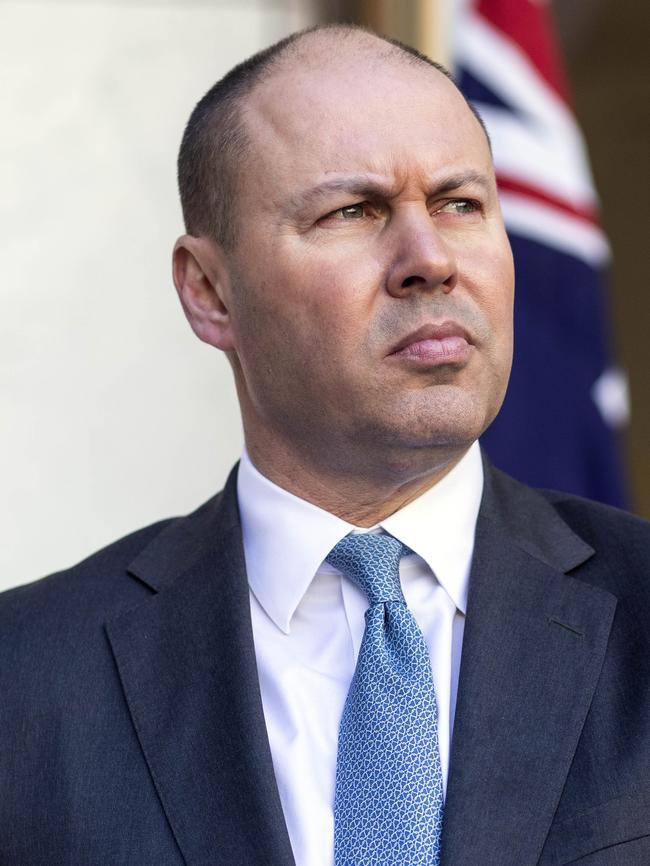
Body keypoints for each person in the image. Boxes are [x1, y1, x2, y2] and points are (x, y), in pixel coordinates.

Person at [1, 23, 649, 866]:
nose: (430, 259)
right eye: (353, 211)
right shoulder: (26, 682)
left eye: (460, 204)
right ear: (210, 292)